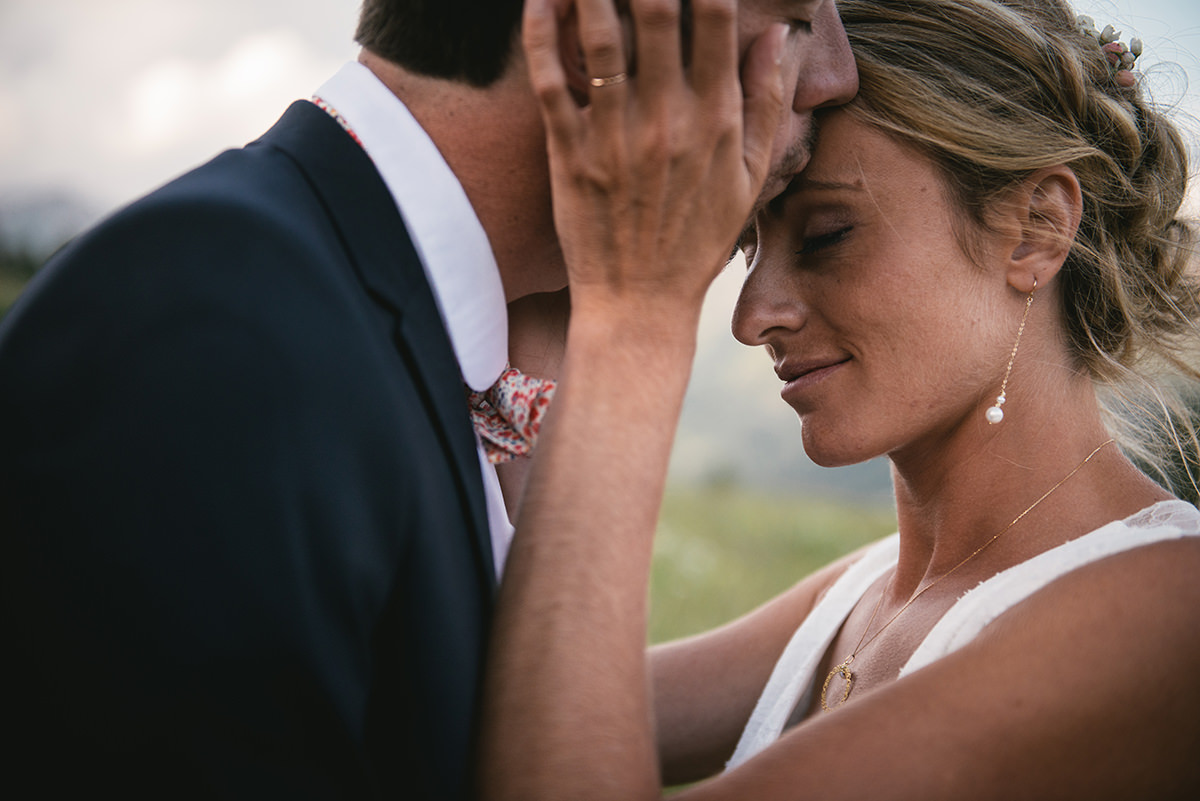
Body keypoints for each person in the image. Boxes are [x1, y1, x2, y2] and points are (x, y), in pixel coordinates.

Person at [0, 0, 856, 797]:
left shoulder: (384, 320)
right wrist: (637, 326)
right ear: (589, 26)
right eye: (792, 18)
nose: (835, 74)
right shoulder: (202, 330)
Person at [480, 0, 1200, 798]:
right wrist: (553, 281)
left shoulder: (1169, 608)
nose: (754, 316)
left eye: (827, 234)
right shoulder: (861, 592)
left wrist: (634, 327)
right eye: (747, 245)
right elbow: (497, 722)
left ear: (1035, 228)